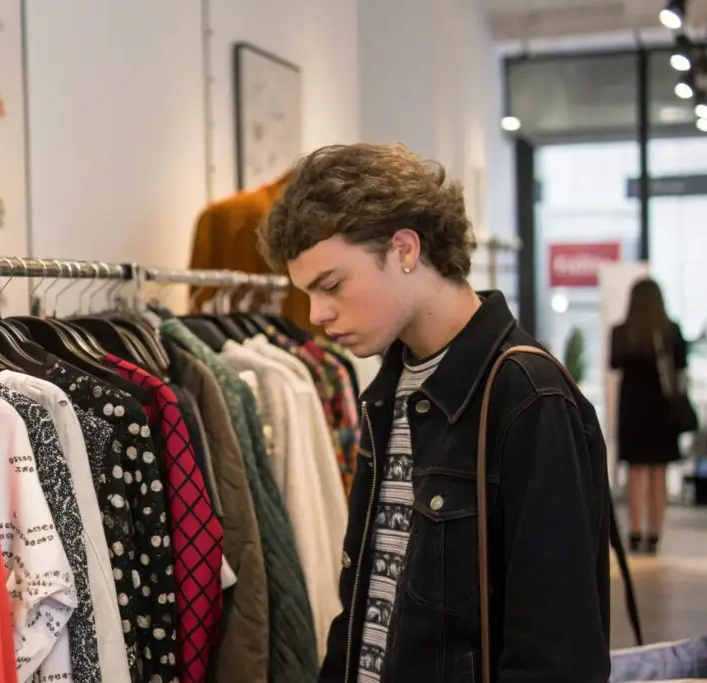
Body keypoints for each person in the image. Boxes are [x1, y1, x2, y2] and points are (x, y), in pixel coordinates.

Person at [258, 142, 612, 683]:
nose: (317, 314)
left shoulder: (527, 397)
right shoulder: (389, 390)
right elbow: (368, 606)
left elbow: (558, 650)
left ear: (404, 249)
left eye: (331, 285)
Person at [610, 278, 687, 555]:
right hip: (662, 411)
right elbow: (681, 369)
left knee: (636, 473)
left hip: (633, 410)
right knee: (658, 473)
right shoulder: (670, 331)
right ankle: (654, 533)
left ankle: (635, 531)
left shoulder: (622, 332)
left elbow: (614, 363)